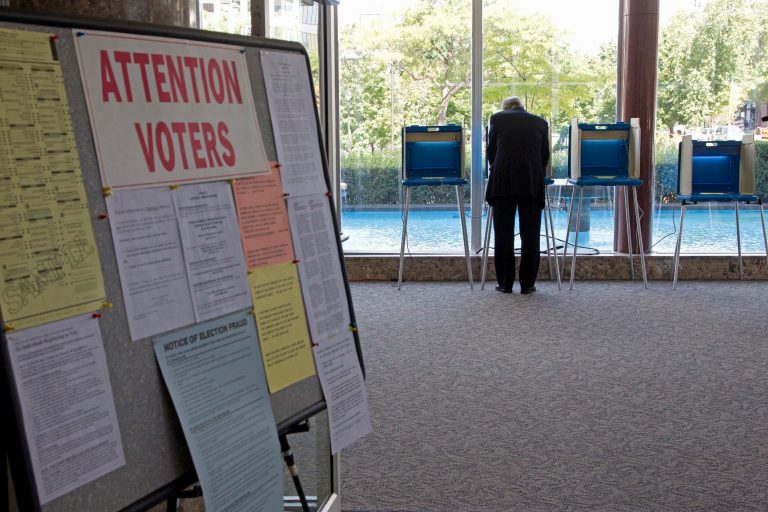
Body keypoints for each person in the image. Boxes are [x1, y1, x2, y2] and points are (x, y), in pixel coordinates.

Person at [485, 96, 550, 294]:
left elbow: (491, 153)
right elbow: (544, 156)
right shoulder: (540, 123)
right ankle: (527, 284)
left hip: (503, 182)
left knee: (503, 234)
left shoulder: (497, 119)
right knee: (530, 235)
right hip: (531, 182)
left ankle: (505, 284)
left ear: (505, 108)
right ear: (523, 107)